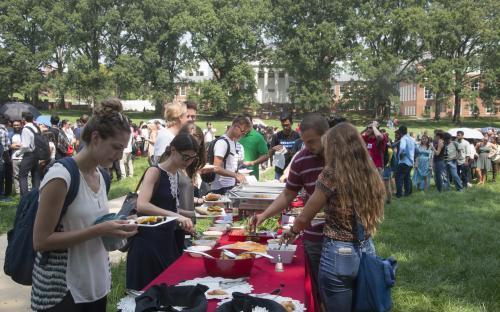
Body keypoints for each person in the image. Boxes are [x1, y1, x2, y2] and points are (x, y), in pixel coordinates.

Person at [31, 98, 138, 311]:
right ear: (96, 138)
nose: (118, 156)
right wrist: (99, 229)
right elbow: (41, 241)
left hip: (96, 286)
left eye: (123, 149)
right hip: (62, 293)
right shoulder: (61, 177)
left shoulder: (102, 175)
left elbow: (92, 228)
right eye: (116, 147)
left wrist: (118, 228)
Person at [281, 122, 385, 312]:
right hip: (367, 247)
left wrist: (293, 231)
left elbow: (306, 216)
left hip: (338, 252)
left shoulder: (330, 174)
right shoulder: (371, 172)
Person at [251, 113, 330, 310]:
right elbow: (288, 194)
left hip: (344, 236)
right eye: (304, 142)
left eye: (312, 141)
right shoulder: (301, 159)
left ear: (326, 134)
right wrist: (263, 215)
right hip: (314, 235)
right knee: (319, 290)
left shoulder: (341, 157)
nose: (308, 147)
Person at [126, 133, 196, 291]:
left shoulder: (176, 174)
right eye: (185, 157)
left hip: (166, 241)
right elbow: (142, 205)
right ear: (173, 150)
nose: (188, 162)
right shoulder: (154, 171)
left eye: (192, 158)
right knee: (148, 296)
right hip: (148, 244)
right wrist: (177, 216)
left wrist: (191, 215)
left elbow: (169, 208)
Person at [201, 116, 250, 194]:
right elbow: (216, 168)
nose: (242, 135)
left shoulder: (232, 142)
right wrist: (235, 175)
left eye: (245, 133)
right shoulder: (222, 143)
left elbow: (230, 165)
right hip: (221, 187)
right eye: (242, 131)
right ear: (235, 126)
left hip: (229, 185)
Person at [269, 112, 300, 180]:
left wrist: (288, 152)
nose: (285, 127)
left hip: (293, 171)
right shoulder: (276, 136)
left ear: (291, 123)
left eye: (287, 125)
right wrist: (273, 149)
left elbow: (300, 153)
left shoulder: (297, 136)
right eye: (283, 125)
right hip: (279, 171)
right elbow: (269, 153)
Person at [16, 112, 41, 196]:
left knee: (22, 176)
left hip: (28, 155)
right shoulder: (35, 128)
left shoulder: (26, 129)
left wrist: (18, 153)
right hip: (36, 154)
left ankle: (25, 197)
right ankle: (36, 195)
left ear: (23, 119)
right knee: (36, 175)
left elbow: (26, 146)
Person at [395, 125, 415, 197]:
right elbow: (416, 149)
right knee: (407, 177)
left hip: (404, 161)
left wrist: (401, 155)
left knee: (398, 178)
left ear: (400, 132)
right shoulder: (412, 139)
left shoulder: (403, 139)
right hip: (410, 161)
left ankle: (399, 194)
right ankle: (408, 192)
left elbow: (402, 148)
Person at [0, 115, 11, 200]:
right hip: (1, 158)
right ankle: (2, 195)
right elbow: (4, 148)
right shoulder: (3, 131)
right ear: (7, 122)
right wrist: (8, 160)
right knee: (1, 176)